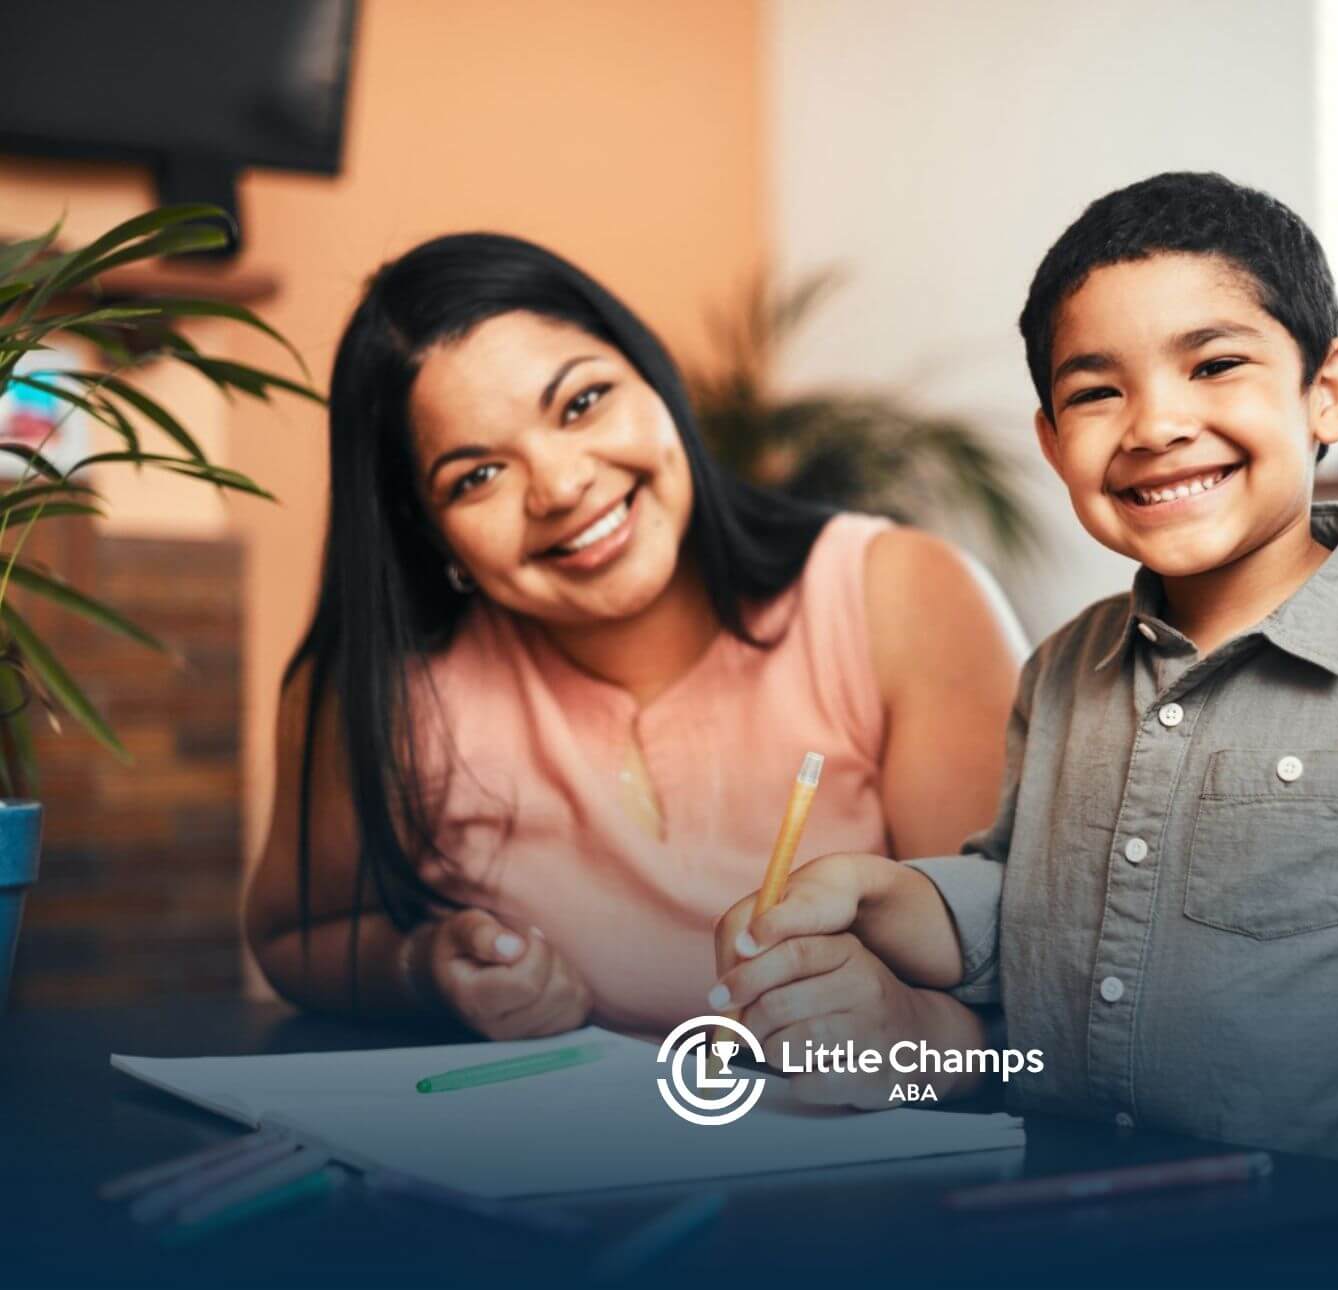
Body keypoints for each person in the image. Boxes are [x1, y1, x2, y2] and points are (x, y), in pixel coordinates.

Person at [710, 173, 1338, 1279]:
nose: (1153, 425)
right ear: (1053, 445)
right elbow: (1020, 893)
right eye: (1096, 393)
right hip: (1057, 1210)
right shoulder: (1060, 668)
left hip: (1324, 1234)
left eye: (1213, 364)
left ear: (1326, 391)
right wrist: (877, 890)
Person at [243, 232, 1024, 1044]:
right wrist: (425, 965)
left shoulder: (901, 594)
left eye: (582, 403)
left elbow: (1021, 980)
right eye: (476, 476)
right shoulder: (383, 687)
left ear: (655, 379)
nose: (561, 486)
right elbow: (294, 939)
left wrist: (913, 1033)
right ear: (431, 534)